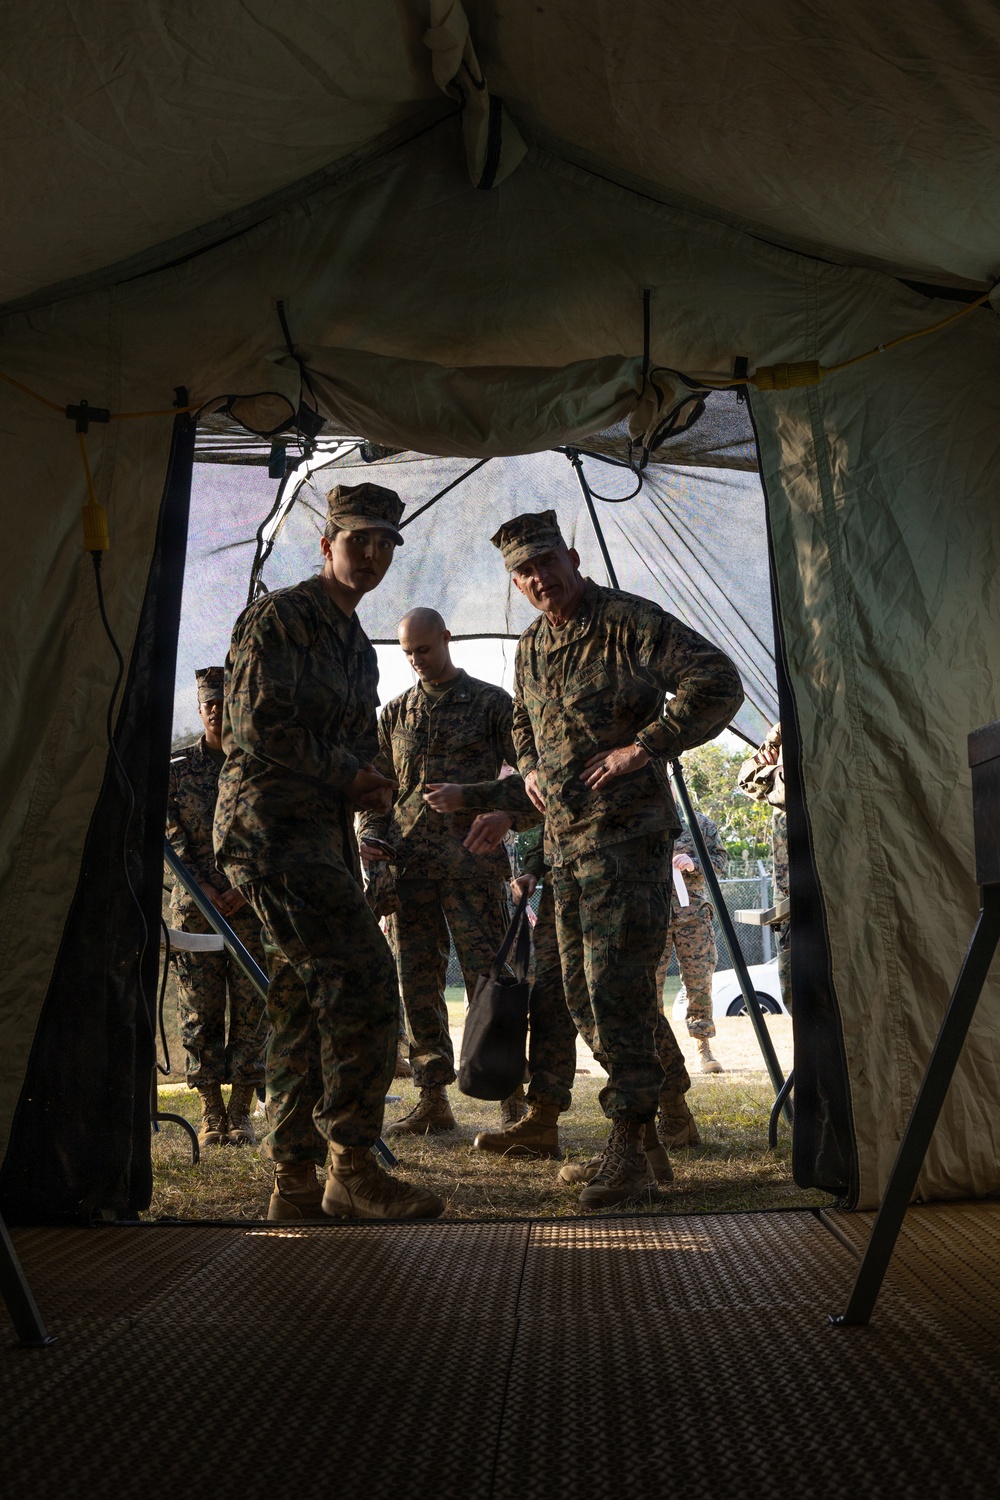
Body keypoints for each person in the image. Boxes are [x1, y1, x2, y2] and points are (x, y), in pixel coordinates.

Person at [494, 509, 744, 1210]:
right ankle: (648, 1142)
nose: (539, 578)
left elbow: (717, 680)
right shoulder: (531, 645)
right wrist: (529, 766)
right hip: (564, 846)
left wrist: (646, 746)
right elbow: (521, 717)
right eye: (524, 571)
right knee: (580, 995)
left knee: (617, 991)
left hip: (628, 839)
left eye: (547, 561)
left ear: (572, 558)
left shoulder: (629, 622)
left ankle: (630, 1148)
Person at [213, 482, 444, 1222]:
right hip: (271, 832)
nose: (371, 554)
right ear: (326, 545)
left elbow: (360, 741)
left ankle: (295, 1183)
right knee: (365, 977)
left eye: (384, 544)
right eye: (357, 541)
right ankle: (352, 1166)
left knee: (301, 1002)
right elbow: (255, 724)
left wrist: (373, 791)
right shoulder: (280, 617)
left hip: (323, 837)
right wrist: (349, 774)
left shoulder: (354, 644)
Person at [359, 608, 534, 1136]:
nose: (416, 660)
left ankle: (510, 1096)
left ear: (447, 639)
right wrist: (371, 837)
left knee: (491, 980)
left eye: (424, 649)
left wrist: (499, 812)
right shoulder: (395, 713)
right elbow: (376, 789)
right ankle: (432, 1098)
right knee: (417, 983)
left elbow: (535, 777)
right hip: (409, 872)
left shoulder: (492, 705)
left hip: (474, 869)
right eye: (407, 653)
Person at [165, 667, 266, 1148]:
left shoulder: (258, 766)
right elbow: (169, 833)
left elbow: (274, 830)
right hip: (196, 910)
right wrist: (200, 884)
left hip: (250, 907)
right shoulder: (177, 771)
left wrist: (245, 885)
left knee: (252, 1012)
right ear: (200, 708)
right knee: (199, 1013)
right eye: (209, 705)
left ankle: (242, 1112)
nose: (216, 713)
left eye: (225, 705)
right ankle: (211, 1112)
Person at [655, 811, 729, 1075]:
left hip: (693, 914)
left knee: (699, 980)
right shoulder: (642, 817)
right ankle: (657, 1049)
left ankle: (703, 1047)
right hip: (652, 913)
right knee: (650, 982)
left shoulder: (699, 823)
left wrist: (694, 863)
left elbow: (720, 861)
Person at [738, 722, 789, 1010]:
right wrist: (773, 772)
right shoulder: (785, 728)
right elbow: (746, 779)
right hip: (790, 886)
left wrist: (775, 775)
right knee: (793, 977)